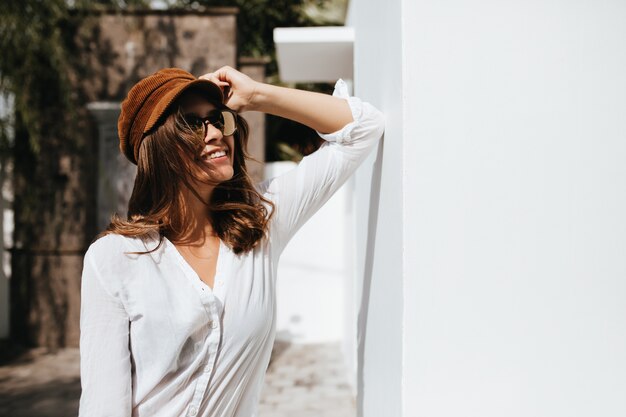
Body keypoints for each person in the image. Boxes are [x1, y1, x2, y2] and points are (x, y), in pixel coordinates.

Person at [78, 66, 384, 417]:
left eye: (218, 119)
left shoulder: (261, 222)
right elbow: (102, 407)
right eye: (192, 124)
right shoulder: (116, 258)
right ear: (159, 149)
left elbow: (364, 128)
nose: (214, 134)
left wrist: (256, 96)